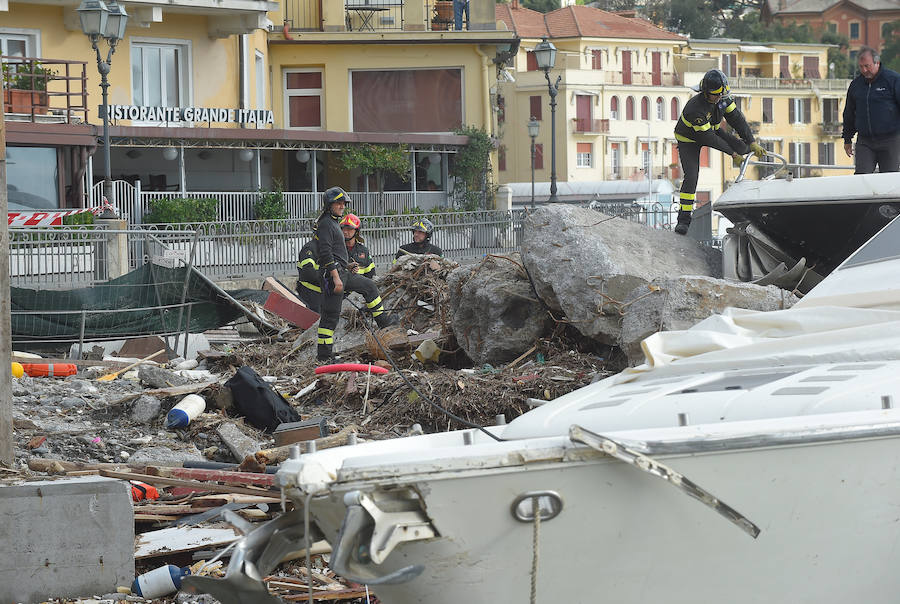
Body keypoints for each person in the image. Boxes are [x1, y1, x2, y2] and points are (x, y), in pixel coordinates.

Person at [674, 69, 765, 235]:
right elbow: (708, 139)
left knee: (742, 148)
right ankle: (683, 220)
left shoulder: (722, 99)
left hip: (712, 130)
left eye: (721, 95)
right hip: (689, 140)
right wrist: (732, 154)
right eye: (716, 95)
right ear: (706, 93)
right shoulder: (695, 109)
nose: (720, 98)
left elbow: (737, 119)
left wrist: (751, 142)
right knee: (692, 176)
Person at [315, 187, 396, 362]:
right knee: (330, 318)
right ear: (330, 205)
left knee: (369, 286)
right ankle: (324, 356)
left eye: (344, 203)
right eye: (339, 203)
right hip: (333, 276)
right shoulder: (326, 224)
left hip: (343, 272)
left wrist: (347, 265)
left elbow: (337, 252)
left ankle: (383, 320)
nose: (342, 206)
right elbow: (326, 253)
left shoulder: (334, 222)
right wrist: (336, 278)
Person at [842, 46, 900, 174]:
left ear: (877, 63)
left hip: (891, 140)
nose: (864, 70)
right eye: (861, 66)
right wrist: (847, 139)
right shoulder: (856, 85)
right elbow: (849, 113)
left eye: (867, 66)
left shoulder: (893, 80)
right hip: (865, 141)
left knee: (889, 180)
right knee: (861, 177)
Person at [340, 213, 376, 279]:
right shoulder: (336, 249)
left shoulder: (364, 251)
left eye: (349, 229)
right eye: (343, 228)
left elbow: (371, 275)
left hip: (360, 288)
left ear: (356, 231)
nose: (345, 231)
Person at [296, 238, 321, 313]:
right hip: (310, 295)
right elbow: (309, 273)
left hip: (326, 295)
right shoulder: (310, 248)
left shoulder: (333, 247)